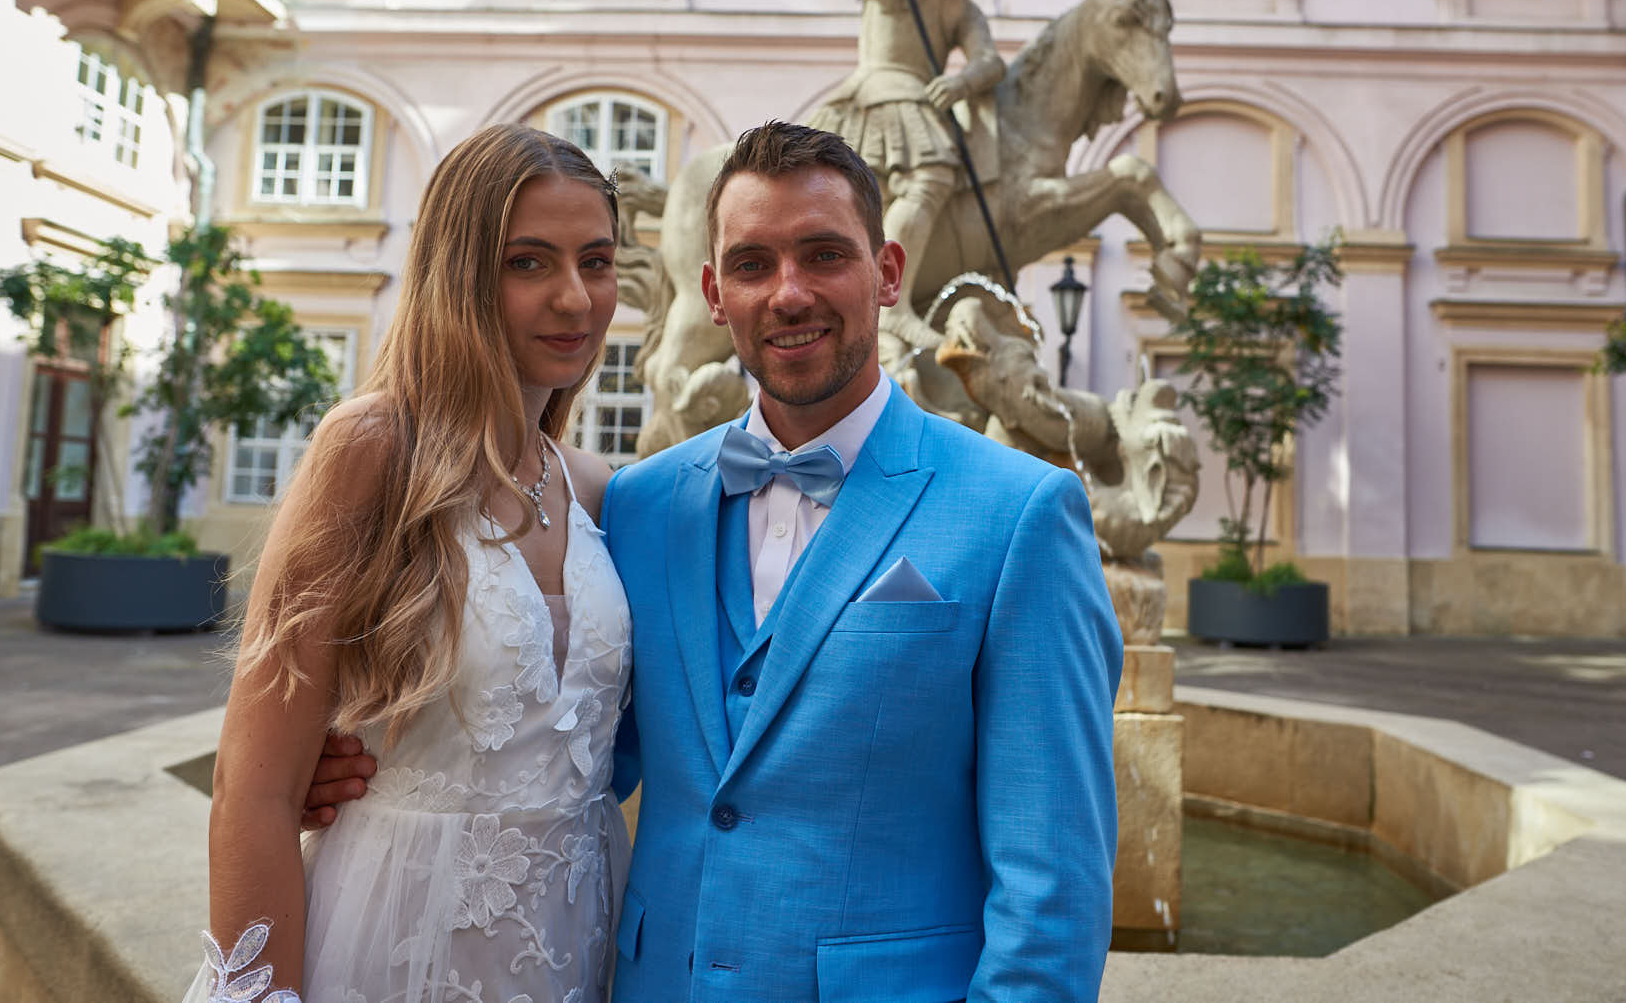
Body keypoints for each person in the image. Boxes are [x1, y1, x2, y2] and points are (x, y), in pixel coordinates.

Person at [309, 120, 1123, 1002]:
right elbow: (575, 742)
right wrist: (360, 757)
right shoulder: (642, 502)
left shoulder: (1020, 513)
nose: (789, 293)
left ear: (887, 272)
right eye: (752, 265)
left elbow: (1054, 885)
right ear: (713, 293)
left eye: (824, 255)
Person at [187, 124, 633, 1003]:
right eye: (529, 263)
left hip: (579, 942)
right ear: (460, 276)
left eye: (597, 260)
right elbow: (254, 783)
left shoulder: (594, 487)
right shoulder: (373, 449)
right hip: (394, 943)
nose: (577, 299)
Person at [809, 0, 1004, 354]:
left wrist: (963, 83)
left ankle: (889, 306)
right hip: (873, 95)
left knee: (929, 178)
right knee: (907, 178)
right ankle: (888, 308)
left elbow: (990, 60)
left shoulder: (959, 5)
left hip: (920, 100)